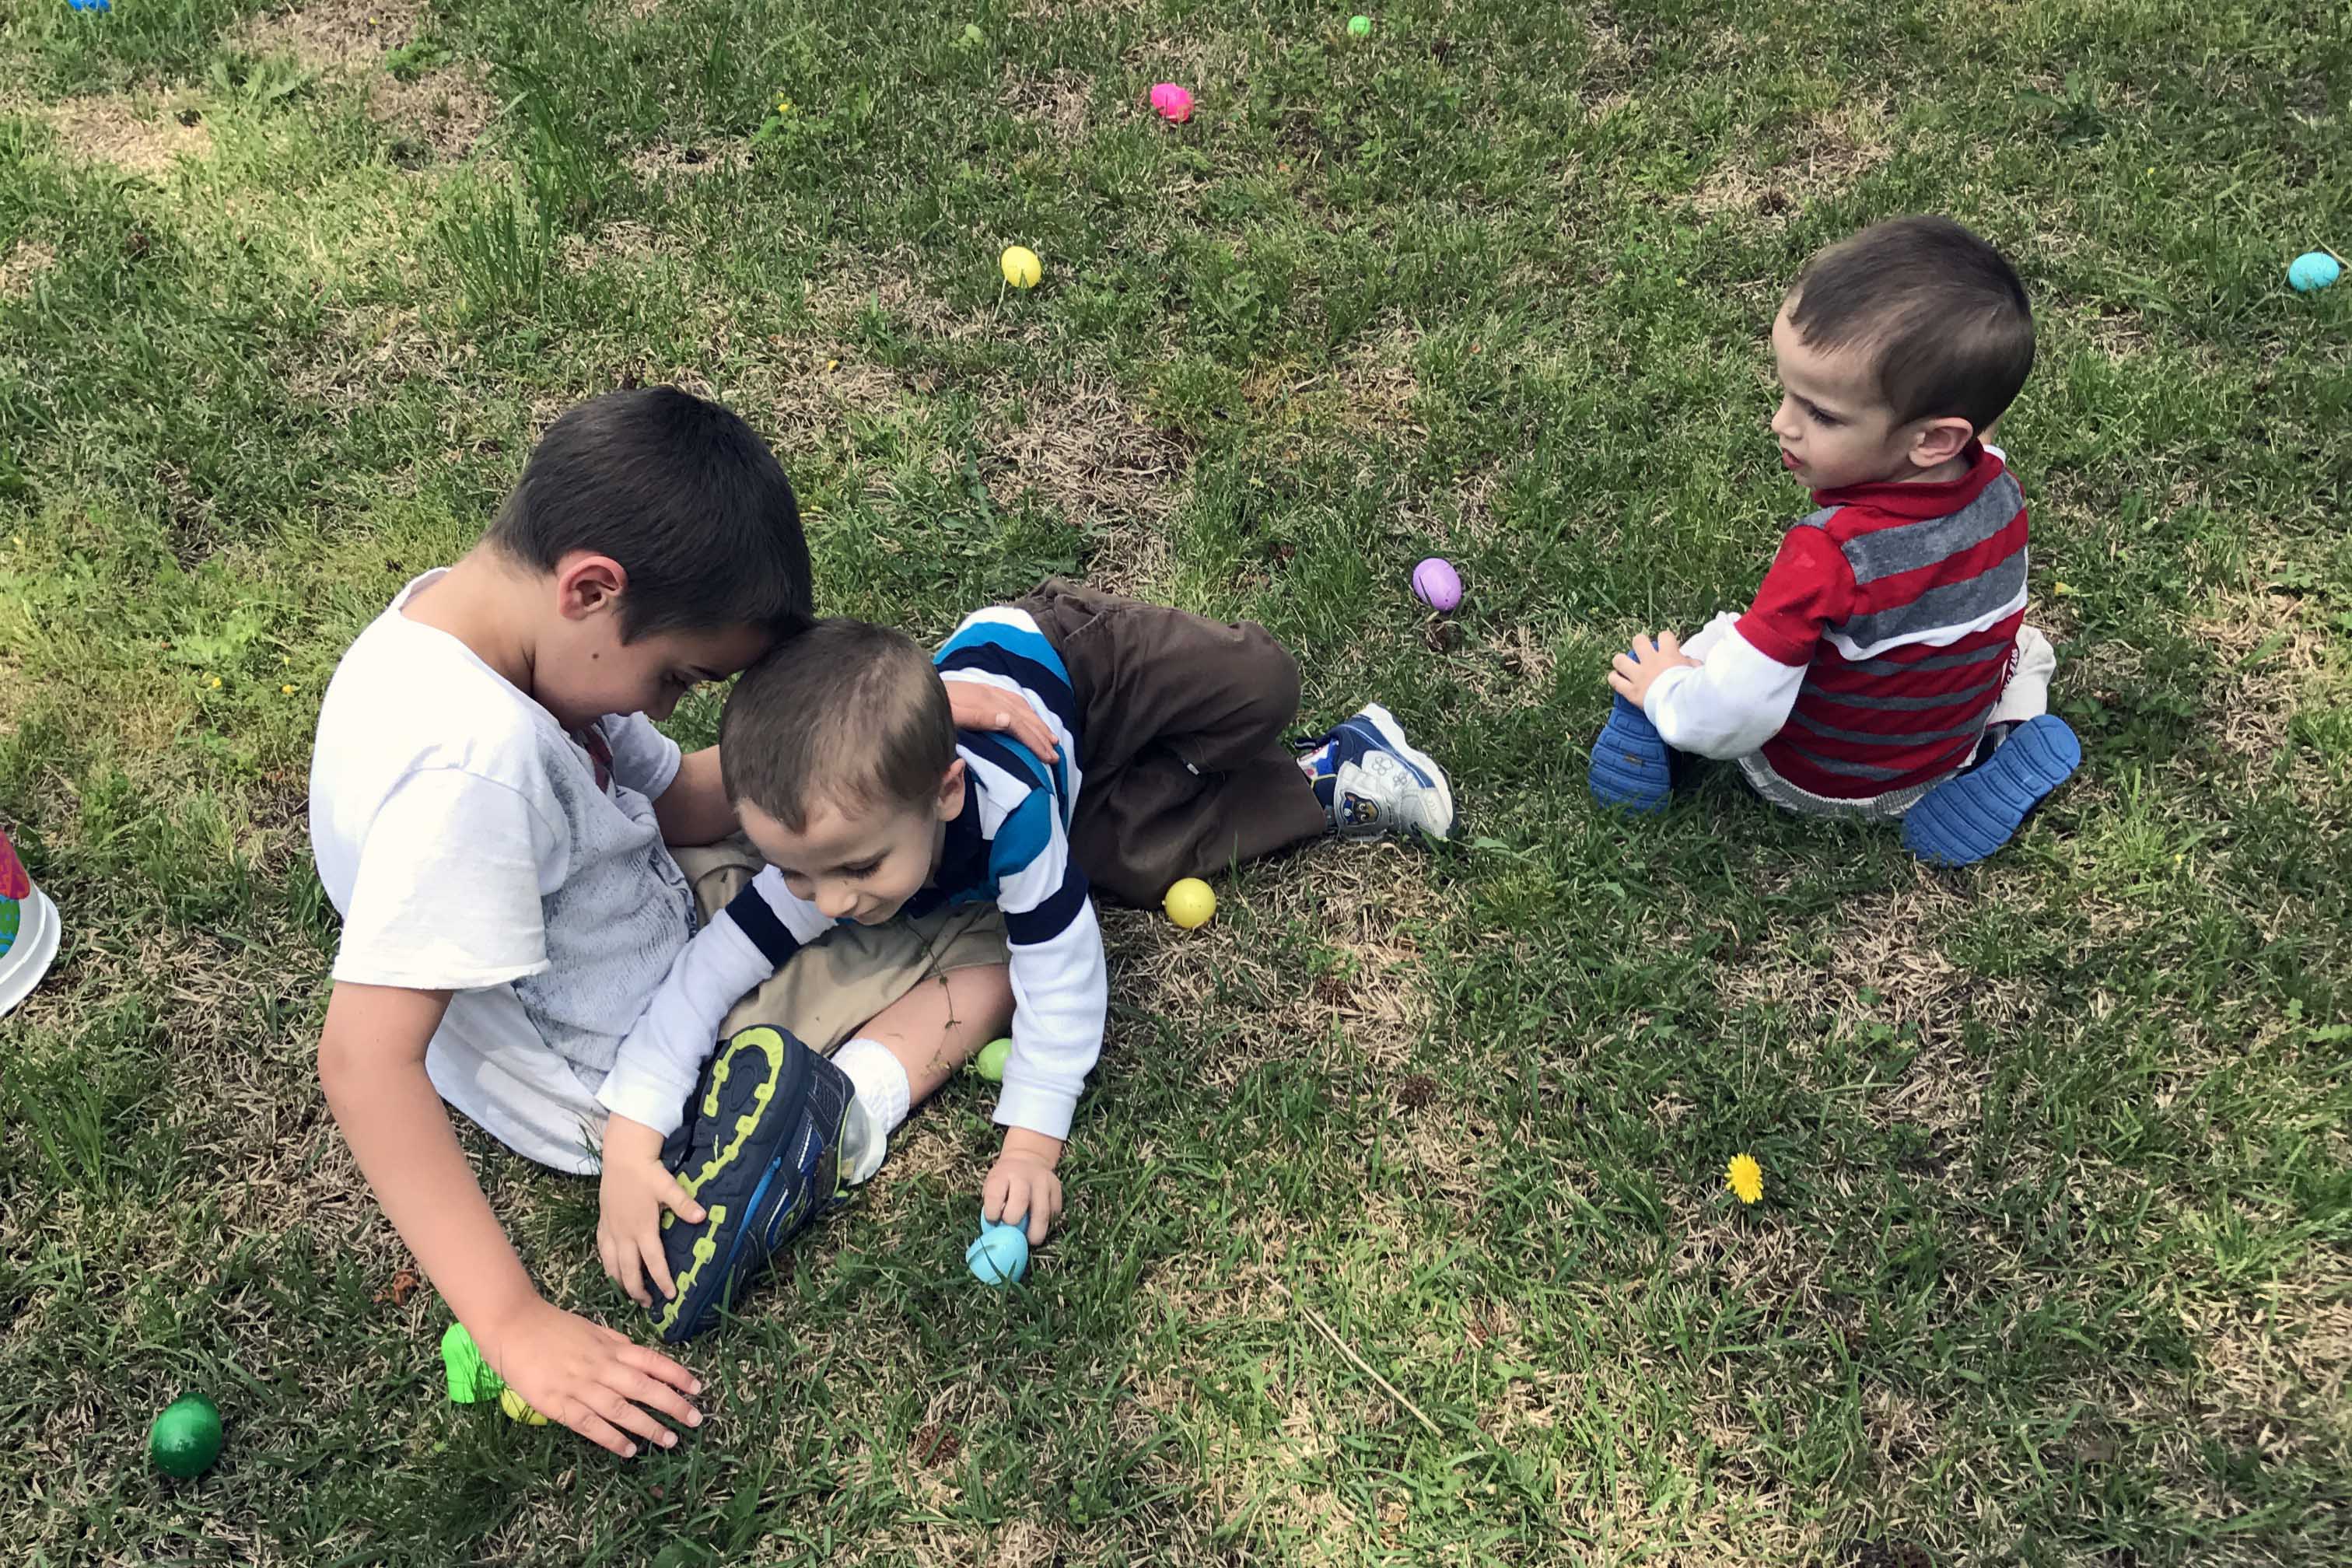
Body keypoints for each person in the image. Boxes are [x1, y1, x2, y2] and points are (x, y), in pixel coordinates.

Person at [307, 387, 1052, 1455]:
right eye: (675, 678)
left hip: (630, 904)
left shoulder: (478, 637)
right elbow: (363, 1062)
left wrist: (893, 727)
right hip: (631, 1062)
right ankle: (831, 1119)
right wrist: (513, 1327)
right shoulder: (476, 773)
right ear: (592, 588)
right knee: (990, 947)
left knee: (818, 825)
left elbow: (679, 804)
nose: (663, 707)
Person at [596, 597, 1454, 1339]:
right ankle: (1326, 770)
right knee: (1135, 866)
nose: (829, 903)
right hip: (1059, 784)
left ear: (945, 794)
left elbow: (1063, 978)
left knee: (1260, 685)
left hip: (1075, 662)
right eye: (798, 875)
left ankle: (1182, 757)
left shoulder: (1009, 822)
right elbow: (704, 977)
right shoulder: (822, 862)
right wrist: (633, 1140)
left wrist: (1033, 1145)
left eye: (859, 872)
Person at [1590, 215, 2080, 864]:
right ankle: (2006, 739)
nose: (1781, 423)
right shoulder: (2001, 489)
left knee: (1712, 648)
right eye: (1788, 395)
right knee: (2027, 646)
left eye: (1820, 414)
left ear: (1934, 441)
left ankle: (1653, 722)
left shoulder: (1829, 556)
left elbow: (1742, 711)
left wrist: (1664, 689)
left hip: (1813, 780)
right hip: (1941, 758)